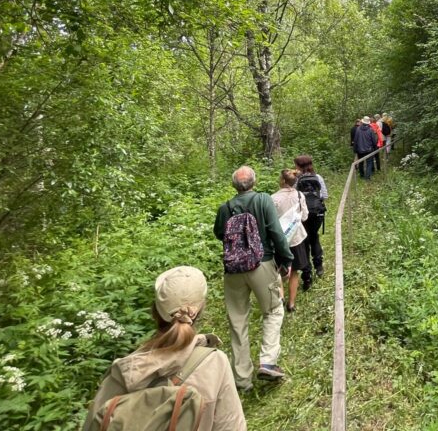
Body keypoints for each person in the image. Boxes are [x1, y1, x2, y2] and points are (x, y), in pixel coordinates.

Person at [83, 266, 246, 431]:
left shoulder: (124, 371)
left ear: (155, 312)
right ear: (199, 310)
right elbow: (231, 425)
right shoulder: (214, 362)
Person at [213, 166, 293, 387]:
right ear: (254, 183)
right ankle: (267, 362)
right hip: (262, 264)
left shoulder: (225, 208)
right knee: (274, 310)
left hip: (233, 270)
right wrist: (286, 258)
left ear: (234, 186)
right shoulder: (263, 200)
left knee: (237, 321)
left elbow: (220, 233)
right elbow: (276, 231)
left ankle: (242, 378)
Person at [271, 169, 308, 313]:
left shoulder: (272, 198)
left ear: (282, 181)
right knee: (295, 271)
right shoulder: (299, 195)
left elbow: (270, 220)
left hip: (279, 240)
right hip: (296, 238)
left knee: (277, 270)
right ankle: (291, 303)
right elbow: (304, 216)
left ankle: (280, 297)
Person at [294, 154, 327, 288]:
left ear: (299, 166)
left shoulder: (296, 180)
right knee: (314, 237)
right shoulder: (317, 177)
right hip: (317, 213)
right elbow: (325, 195)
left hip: (303, 215)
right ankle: (319, 267)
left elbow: (294, 197)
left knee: (304, 241)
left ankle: (307, 273)